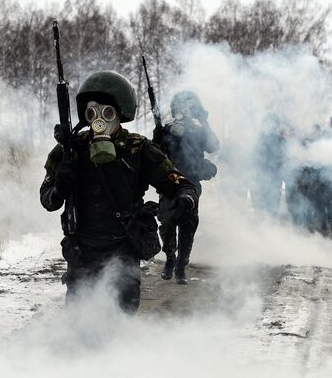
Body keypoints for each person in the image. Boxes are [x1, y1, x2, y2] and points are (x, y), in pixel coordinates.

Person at [40, 70, 198, 314]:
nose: (99, 119)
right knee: (78, 321)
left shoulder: (137, 149)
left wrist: (184, 199)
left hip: (122, 248)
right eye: (92, 112)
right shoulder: (70, 151)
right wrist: (60, 184)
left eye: (107, 112)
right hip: (82, 250)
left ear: (120, 113)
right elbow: (48, 200)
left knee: (120, 317)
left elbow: (177, 182)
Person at [157, 90, 220, 284]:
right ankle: (170, 258)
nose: (183, 111)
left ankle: (181, 267)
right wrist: (159, 133)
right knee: (167, 223)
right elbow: (155, 151)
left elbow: (213, 146)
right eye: (180, 107)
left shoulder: (199, 130)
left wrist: (205, 122)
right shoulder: (167, 129)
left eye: (188, 107)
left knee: (187, 225)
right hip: (169, 182)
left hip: (191, 183)